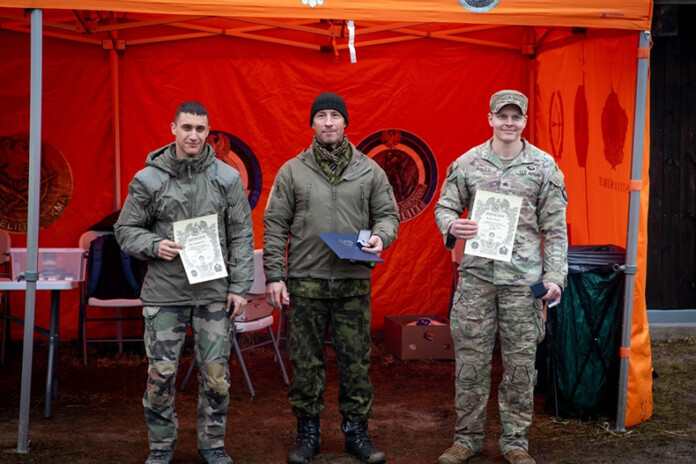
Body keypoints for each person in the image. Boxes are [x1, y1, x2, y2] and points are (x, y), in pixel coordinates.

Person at [263, 92, 400, 464]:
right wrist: (275, 274)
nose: (328, 122)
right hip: (305, 282)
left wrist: (380, 236)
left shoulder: (369, 170)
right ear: (312, 124)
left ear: (345, 123)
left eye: (334, 116)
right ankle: (308, 433)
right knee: (305, 362)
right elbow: (274, 225)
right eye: (321, 115)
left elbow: (388, 215)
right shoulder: (293, 169)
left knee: (356, 362)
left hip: (352, 282)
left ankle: (357, 433)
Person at [114, 101, 254, 464]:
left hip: (213, 294)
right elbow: (124, 230)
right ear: (173, 128)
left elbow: (241, 234)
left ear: (209, 133)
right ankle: (161, 447)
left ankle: (212, 446)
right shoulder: (149, 179)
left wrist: (240, 287)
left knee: (216, 376)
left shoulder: (226, 178)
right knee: (160, 375)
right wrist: (153, 244)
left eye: (201, 129)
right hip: (165, 292)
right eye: (187, 127)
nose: (194, 135)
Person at [434, 90, 568, 464]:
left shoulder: (543, 167)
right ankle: (466, 439)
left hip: (523, 283)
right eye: (502, 116)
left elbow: (555, 228)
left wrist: (555, 275)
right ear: (490, 118)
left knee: (521, 365)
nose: (509, 123)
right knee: (471, 362)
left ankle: (514, 441)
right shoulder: (468, 163)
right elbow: (444, 205)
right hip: (477, 277)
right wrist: (452, 224)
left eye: (516, 117)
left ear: (525, 121)